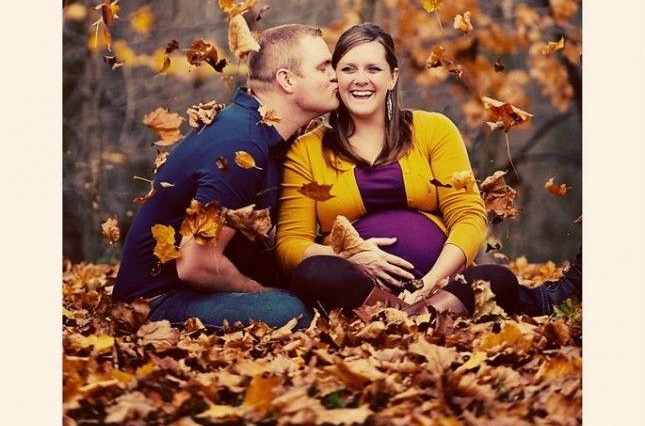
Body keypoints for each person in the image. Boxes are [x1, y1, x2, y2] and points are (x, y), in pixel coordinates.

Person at [276, 22, 582, 319]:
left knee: (497, 279)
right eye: (348, 69)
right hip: (358, 287)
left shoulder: (433, 129)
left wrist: (431, 281)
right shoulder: (308, 150)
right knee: (312, 272)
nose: (360, 79)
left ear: (393, 77)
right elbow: (291, 242)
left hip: (441, 286)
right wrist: (349, 256)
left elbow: (468, 215)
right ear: (335, 77)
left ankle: (409, 316)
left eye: (373, 69)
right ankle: (420, 319)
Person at [112, 23, 340, 330]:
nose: (335, 75)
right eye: (323, 67)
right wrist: (258, 293)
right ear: (286, 80)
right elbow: (195, 264)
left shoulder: (266, 137)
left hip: (193, 290)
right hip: (155, 303)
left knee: (324, 287)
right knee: (291, 311)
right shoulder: (241, 144)